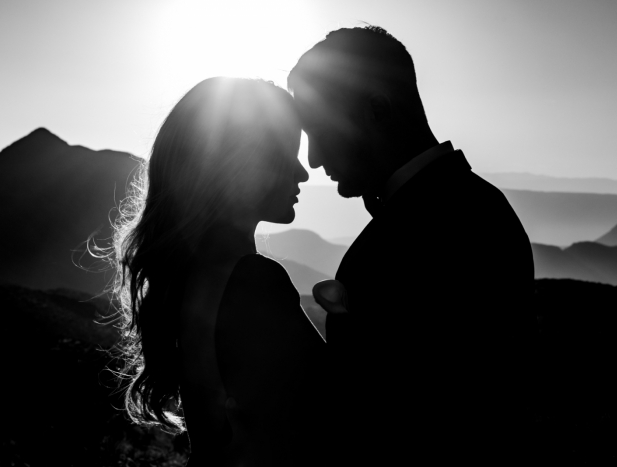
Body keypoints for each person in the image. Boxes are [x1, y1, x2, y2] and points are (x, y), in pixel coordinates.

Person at [289, 26, 536, 465]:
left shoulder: (426, 233)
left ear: (377, 109)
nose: (313, 158)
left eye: (319, 131)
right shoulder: (481, 204)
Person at [109, 77, 329, 466]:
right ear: (243, 161)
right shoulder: (253, 281)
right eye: (286, 154)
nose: (302, 173)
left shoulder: (191, 274)